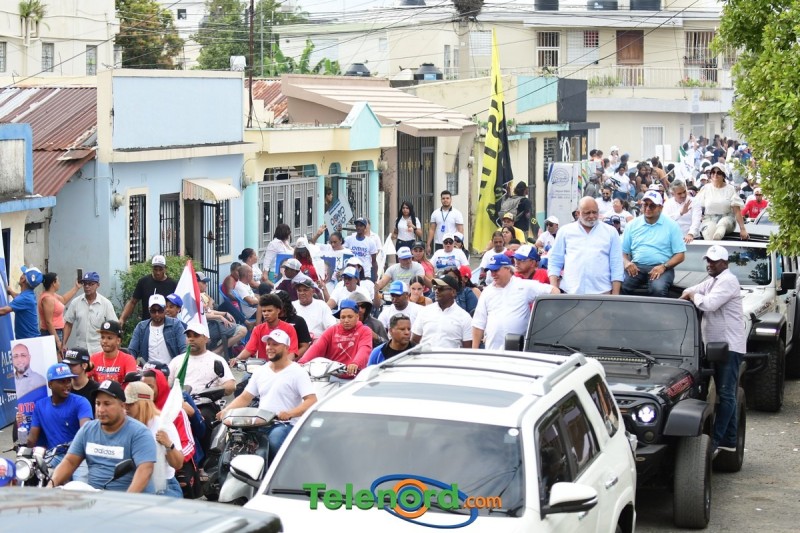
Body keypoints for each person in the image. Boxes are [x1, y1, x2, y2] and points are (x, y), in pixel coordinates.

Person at [679, 245, 745, 454]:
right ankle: (729, 441)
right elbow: (692, 289)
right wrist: (690, 293)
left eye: (714, 261)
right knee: (725, 395)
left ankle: (716, 441)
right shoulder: (713, 280)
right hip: (715, 347)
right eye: (708, 260)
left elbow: (708, 304)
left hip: (729, 347)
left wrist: (692, 296)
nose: (710, 264)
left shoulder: (728, 280)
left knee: (726, 394)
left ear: (725, 263)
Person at [219, 329, 316, 462]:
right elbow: (245, 397)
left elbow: (311, 400)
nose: (270, 347)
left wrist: (290, 413)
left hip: (286, 425)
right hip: (260, 423)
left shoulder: (298, 372)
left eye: (275, 344)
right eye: (268, 344)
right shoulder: (261, 371)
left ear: (286, 348)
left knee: (274, 442)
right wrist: (226, 411)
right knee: (237, 443)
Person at [49, 380, 156, 492]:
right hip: (94, 497)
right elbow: (70, 461)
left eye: (107, 404)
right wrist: (50, 485)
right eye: (98, 403)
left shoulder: (139, 433)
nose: (100, 410)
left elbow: (145, 469)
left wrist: (127, 498)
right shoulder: (87, 429)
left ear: (122, 406)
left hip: (129, 498)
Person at [473, 255, 558, 350]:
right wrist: (474, 352)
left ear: (508, 269)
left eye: (496, 270)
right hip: (493, 350)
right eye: (491, 271)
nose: (493, 274)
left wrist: (548, 316)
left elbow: (554, 291)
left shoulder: (524, 285)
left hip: (518, 351)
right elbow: (478, 323)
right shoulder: (487, 292)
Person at [23, 363, 91, 479]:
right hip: (54, 455)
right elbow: (32, 439)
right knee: (32, 477)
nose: (67, 385)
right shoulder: (40, 405)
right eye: (62, 381)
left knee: (79, 484)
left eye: (68, 381)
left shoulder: (81, 402)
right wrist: (21, 437)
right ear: (50, 384)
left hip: (78, 456)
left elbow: (85, 431)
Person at [548, 196, 625, 295]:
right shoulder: (565, 231)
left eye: (595, 212)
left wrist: (615, 294)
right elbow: (555, 261)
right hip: (571, 292)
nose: (592, 216)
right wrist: (554, 289)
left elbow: (616, 264)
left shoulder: (611, 232)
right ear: (578, 213)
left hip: (602, 293)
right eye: (587, 213)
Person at [123, 381, 184, 497]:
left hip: (163, 486)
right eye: (124, 403)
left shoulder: (163, 425)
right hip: (130, 483)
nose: (126, 407)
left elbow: (178, 464)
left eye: (130, 404)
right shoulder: (123, 424)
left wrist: (168, 445)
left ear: (143, 404)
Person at [622, 191, 686, 297]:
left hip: (662, 267)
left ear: (660, 207)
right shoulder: (632, 225)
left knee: (658, 289)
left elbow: (680, 255)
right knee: (620, 284)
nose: (648, 208)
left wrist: (664, 266)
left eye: (652, 206)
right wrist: (626, 263)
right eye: (645, 205)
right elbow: (622, 251)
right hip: (637, 266)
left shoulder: (672, 225)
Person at [298, 299, 372, 376]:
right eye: (343, 317)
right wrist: (302, 362)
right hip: (332, 375)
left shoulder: (365, 330)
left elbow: (364, 349)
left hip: (354, 377)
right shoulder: (332, 330)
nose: (346, 320)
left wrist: (356, 363)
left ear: (357, 317)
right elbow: (317, 347)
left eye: (350, 317)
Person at [168, 322, 236, 396]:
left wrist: (211, 393)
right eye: (188, 336)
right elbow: (166, 385)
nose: (191, 339)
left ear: (206, 339)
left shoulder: (216, 360)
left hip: (208, 401)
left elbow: (230, 385)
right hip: (182, 401)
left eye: (196, 335)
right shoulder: (176, 361)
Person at [232, 294, 300, 364]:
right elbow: (249, 349)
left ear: (278, 310)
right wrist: (237, 359)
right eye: (264, 311)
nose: (266, 314)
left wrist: (281, 366)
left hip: (283, 366)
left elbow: (292, 353)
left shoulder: (289, 328)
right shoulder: (258, 329)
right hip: (263, 367)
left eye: (269, 311)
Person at [62, 271, 118, 355]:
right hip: (80, 349)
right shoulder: (76, 302)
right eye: (85, 284)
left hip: (99, 349)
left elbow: (114, 326)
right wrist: (63, 343)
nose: (87, 286)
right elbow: (68, 324)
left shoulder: (105, 304)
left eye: (91, 284)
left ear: (98, 285)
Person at [689, 163, 748, 241]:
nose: (715, 175)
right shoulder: (706, 188)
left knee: (722, 225)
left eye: (718, 173)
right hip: (709, 219)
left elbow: (737, 211)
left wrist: (742, 229)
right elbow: (695, 205)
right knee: (708, 234)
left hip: (727, 219)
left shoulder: (730, 189)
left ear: (723, 175)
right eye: (713, 172)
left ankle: (718, 236)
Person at [411, 275, 472, 348]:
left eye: (441, 288)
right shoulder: (424, 312)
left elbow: (467, 349)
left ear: (453, 292)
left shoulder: (464, 317)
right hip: (426, 355)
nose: (436, 291)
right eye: (435, 288)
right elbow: (414, 341)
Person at [119, 255, 178, 327]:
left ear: (165, 269)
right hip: (147, 326)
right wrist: (122, 319)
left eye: (160, 269)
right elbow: (132, 302)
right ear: (152, 268)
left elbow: (177, 306)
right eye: (155, 269)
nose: (158, 272)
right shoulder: (144, 282)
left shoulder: (172, 284)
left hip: (166, 325)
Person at [196, 273, 248, 354]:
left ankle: (230, 352)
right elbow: (200, 315)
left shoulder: (200, 295)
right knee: (242, 330)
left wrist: (224, 314)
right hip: (205, 327)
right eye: (203, 282)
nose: (206, 285)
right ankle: (218, 351)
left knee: (229, 317)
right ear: (196, 283)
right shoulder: (193, 298)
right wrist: (219, 317)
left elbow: (208, 310)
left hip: (210, 322)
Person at [128, 295, 187, 365]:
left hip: (171, 369)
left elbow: (184, 349)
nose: (157, 314)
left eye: (160, 310)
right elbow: (132, 351)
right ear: (149, 310)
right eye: (153, 311)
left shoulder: (175, 325)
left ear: (165, 309)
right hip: (148, 370)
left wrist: (180, 367)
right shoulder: (141, 327)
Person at [37, 272, 80, 351]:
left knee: (59, 355)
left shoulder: (52, 295)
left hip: (57, 332)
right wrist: (57, 340)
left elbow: (63, 300)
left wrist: (76, 288)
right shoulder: (48, 299)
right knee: (55, 356)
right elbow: (48, 322)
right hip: (51, 333)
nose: (59, 283)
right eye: (58, 281)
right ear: (53, 283)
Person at [0, 266, 43, 340]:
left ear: (23, 279)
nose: (21, 275)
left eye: (23, 274)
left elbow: (3, 311)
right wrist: (11, 292)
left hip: (28, 341)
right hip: (31, 339)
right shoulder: (29, 295)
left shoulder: (24, 298)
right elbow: (19, 298)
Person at [62, 348, 99, 416]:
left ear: (84, 365)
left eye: (73, 364)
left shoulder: (96, 389)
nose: (69, 367)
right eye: (66, 364)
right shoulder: (63, 387)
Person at [275, 290, 311, 358]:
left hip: (292, 359)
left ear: (285, 303)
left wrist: (289, 360)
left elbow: (305, 346)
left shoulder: (298, 320)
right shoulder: (269, 321)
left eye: (276, 303)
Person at [344, 217, 379, 281]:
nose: (358, 227)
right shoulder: (349, 239)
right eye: (357, 226)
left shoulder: (370, 242)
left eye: (361, 226)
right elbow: (342, 251)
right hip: (351, 273)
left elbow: (374, 261)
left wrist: (375, 276)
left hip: (365, 274)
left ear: (365, 228)